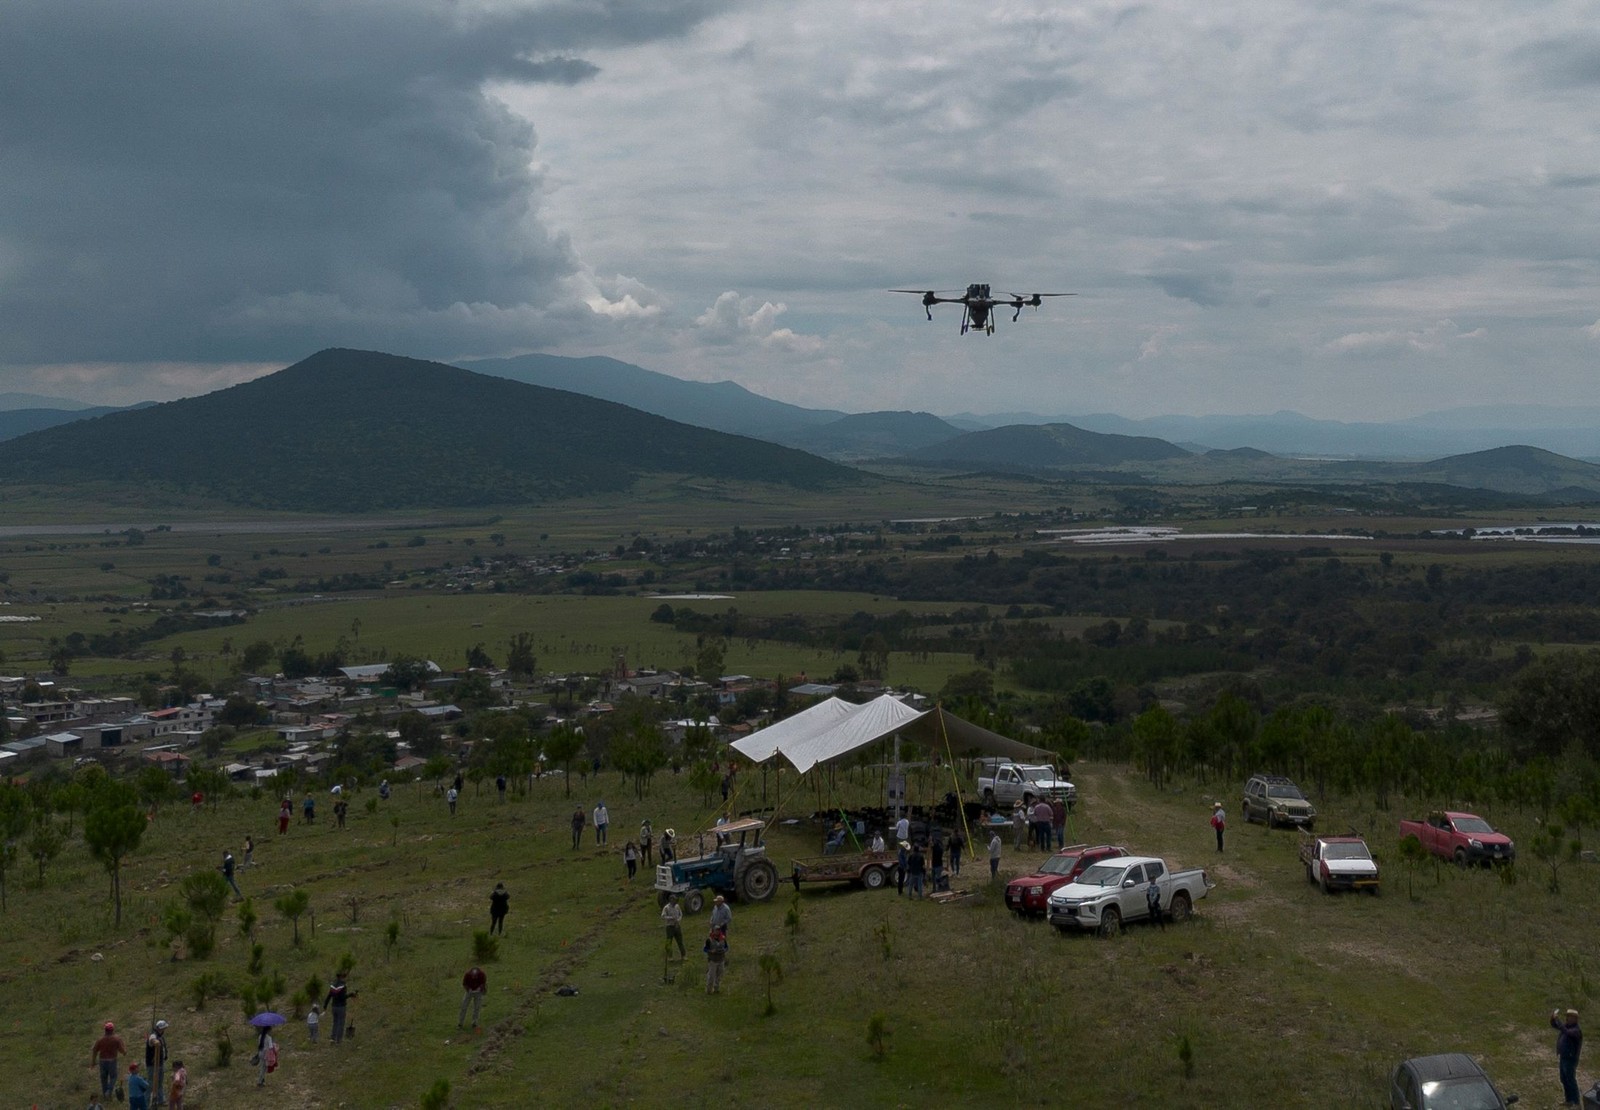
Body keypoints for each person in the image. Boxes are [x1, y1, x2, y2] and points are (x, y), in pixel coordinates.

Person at [1553, 1007, 1583, 1106]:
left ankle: (1576, 1102)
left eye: (1570, 1017)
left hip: (1570, 1059)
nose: (1567, 1018)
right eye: (1567, 1017)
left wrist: (1558, 1020)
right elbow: (1556, 1026)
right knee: (1564, 1078)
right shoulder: (1567, 1026)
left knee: (1570, 1079)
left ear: (1575, 1018)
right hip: (1564, 1056)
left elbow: (1567, 1032)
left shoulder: (1576, 1030)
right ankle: (1569, 1100)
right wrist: (1553, 1019)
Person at [92, 1021, 126, 1099]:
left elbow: (94, 1050)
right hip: (112, 1061)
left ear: (105, 1030)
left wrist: (93, 1062)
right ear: (112, 1030)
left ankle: (105, 1094)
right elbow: (121, 1050)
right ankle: (109, 1091)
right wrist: (124, 1052)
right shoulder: (116, 1039)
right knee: (113, 1077)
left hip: (102, 1061)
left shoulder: (100, 1040)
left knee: (103, 1078)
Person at [144, 1019, 169, 1105]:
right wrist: (155, 1042)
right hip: (152, 1064)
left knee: (159, 1083)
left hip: (160, 1063)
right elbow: (152, 1040)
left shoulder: (161, 1036)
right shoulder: (153, 1035)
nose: (164, 1030)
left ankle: (160, 1100)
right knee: (151, 1083)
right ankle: (146, 1102)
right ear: (160, 1029)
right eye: (164, 1028)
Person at [324, 971, 351, 1044]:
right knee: (341, 1023)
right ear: (342, 977)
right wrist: (350, 995)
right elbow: (342, 997)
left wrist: (325, 1005)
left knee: (335, 1022)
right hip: (341, 1007)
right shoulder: (343, 986)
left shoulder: (333, 985)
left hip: (334, 1006)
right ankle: (339, 1040)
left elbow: (329, 996)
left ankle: (332, 1038)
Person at [704, 927, 729, 994]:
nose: (717, 931)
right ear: (713, 931)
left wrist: (724, 950)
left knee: (719, 974)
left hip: (721, 959)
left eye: (718, 930)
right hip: (713, 960)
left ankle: (716, 988)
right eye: (716, 930)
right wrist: (711, 951)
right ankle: (709, 990)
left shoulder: (723, 938)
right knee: (711, 976)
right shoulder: (709, 940)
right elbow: (705, 949)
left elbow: (727, 947)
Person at [661, 894, 686, 958]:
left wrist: (678, 919)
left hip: (677, 926)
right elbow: (663, 916)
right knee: (669, 942)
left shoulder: (677, 906)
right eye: (674, 900)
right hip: (670, 927)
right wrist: (671, 918)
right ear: (671, 900)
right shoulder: (666, 907)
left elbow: (681, 914)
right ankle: (670, 957)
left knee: (680, 941)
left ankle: (683, 955)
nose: (675, 901)